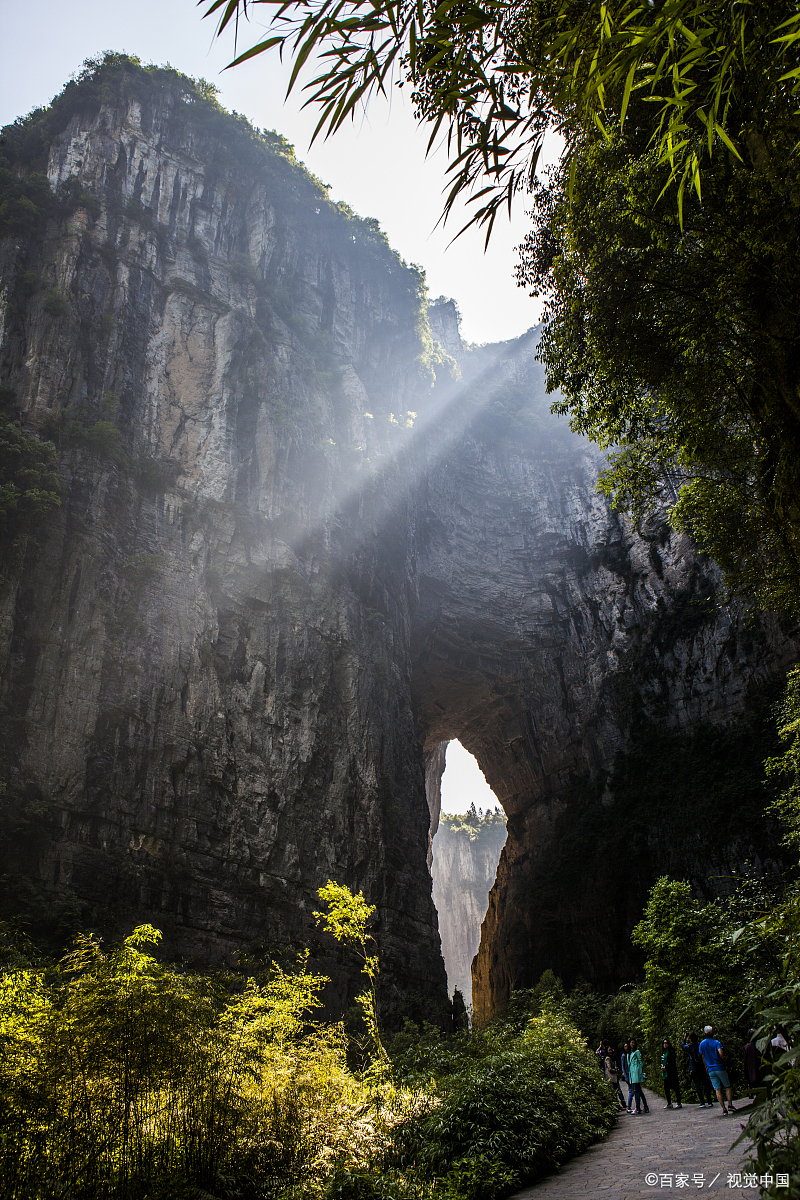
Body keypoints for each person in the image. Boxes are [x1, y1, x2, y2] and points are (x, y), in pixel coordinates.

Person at [699, 1025, 736, 1115]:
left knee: (717, 1089)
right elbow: (720, 1052)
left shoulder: (702, 1044)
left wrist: (706, 1067)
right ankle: (730, 1104)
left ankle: (723, 1108)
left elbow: (703, 1057)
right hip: (720, 1067)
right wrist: (724, 1059)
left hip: (710, 1069)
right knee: (727, 1086)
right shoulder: (716, 1042)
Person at [682, 1032, 714, 1107]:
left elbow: (683, 1046)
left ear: (690, 1039)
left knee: (697, 1085)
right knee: (706, 1084)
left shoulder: (689, 1047)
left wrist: (684, 1038)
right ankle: (709, 1101)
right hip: (702, 1066)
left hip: (694, 1068)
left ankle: (702, 1102)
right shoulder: (700, 1045)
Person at [627, 1037, 650, 1114]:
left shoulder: (637, 1052)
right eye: (631, 1043)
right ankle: (645, 1106)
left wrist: (639, 1071)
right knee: (639, 1091)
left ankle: (638, 1108)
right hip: (632, 1074)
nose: (632, 1044)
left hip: (636, 1074)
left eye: (634, 1043)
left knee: (636, 1091)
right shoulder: (629, 1054)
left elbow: (640, 1062)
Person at [660, 1036, 683, 1108]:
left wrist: (666, 1067)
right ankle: (669, 1102)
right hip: (665, 1073)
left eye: (666, 1043)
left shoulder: (671, 1052)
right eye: (664, 1043)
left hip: (671, 1072)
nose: (665, 1044)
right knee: (666, 1088)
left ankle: (679, 1102)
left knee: (675, 1087)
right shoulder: (663, 1053)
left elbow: (672, 1062)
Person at [742, 1029, 765, 1098]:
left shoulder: (747, 1047)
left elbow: (745, 1062)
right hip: (762, 1073)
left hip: (752, 1074)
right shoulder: (761, 1045)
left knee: (757, 1091)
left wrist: (746, 1075)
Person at [605, 1045, 627, 1110]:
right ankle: (619, 1105)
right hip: (611, 1078)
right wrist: (615, 1070)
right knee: (616, 1092)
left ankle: (622, 1104)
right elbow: (609, 1068)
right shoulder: (608, 1058)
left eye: (611, 1050)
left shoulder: (611, 1058)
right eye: (609, 1050)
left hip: (614, 1077)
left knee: (618, 1091)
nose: (611, 1051)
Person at [621, 1040, 634, 1112]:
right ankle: (628, 1106)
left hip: (632, 1074)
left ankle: (630, 1106)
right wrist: (625, 1077)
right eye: (624, 1046)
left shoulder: (630, 1054)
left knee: (634, 1090)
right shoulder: (623, 1056)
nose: (625, 1048)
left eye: (626, 1046)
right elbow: (623, 1067)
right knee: (631, 1091)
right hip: (628, 1075)